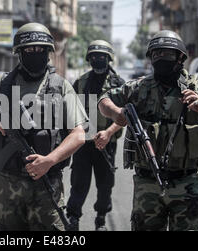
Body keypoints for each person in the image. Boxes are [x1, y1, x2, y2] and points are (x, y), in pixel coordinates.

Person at [98, 30, 198, 231]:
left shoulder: (197, 90)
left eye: (167, 54)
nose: (161, 58)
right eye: (156, 54)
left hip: (186, 183)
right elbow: (103, 100)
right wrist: (116, 113)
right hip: (147, 183)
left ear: (180, 57)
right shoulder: (139, 88)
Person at [0, 23, 88, 231]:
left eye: (40, 49)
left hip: (47, 183)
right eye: (29, 49)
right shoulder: (0, 85)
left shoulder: (60, 86)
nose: (35, 53)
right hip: (6, 184)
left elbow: (79, 135)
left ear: (48, 53)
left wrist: (49, 161)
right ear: (19, 53)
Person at [66, 40, 125, 231]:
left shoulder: (119, 85)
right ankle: (73, 218)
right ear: (89, 59)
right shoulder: (81, 82)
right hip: (83, 143)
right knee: (79, 182)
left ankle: (100, 219)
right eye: (94, 56)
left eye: (101, 56)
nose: (97, 59)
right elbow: (70, 111)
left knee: (105, 184)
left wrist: (108, 133)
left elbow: (125, 117)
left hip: (107, 143)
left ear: (108, 59)